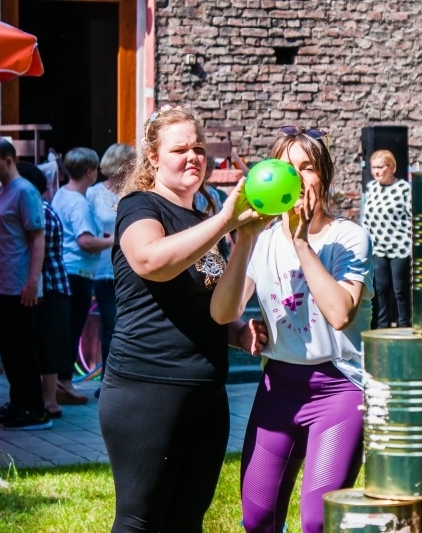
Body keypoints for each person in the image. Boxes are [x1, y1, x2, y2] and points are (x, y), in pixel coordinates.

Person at [98, 105, 267, 532]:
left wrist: (236, 331)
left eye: (198, 147)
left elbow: (212, 306)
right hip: (147, 389)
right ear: (153, 158)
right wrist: (226, 219)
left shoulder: (200, 220)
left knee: (187, 520)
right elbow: (151, 262)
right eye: (179, 149)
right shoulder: (139, 207)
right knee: (141, 520)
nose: (192, 156)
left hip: (206, 391)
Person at [210, 125, 374, 533]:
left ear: (325, 176)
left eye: (307, 167)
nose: (296, 177)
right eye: (285, 167)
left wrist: (302, 243)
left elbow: (340, 314)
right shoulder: (260, 240)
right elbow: (222, 311)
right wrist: (237, 331)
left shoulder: (348, 237)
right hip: (278, 385)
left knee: (319, 520)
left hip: (339, 386)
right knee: (258, 519)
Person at [0, 138, 51, 431]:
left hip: (19, 286)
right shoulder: (4, 191)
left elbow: (37, 238)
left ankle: (36, 411)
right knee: (9, 348)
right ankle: (19, 402)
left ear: (9, 160)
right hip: (1, 284)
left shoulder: (25, 191)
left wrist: (31, 282)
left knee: (22, 349)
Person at [51, 148, 113, 405]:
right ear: (89, 172)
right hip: (78, 271)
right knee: (72, 328)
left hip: (64, 269)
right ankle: (63, 383)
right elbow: (86, 242)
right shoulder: (79, 203)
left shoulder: (60, 195)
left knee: (65, 328)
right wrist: (113, 241)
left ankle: (59, 381)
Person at [18, 162, 71, 419]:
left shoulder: (41, 211)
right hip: (46, 285)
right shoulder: (40, 208)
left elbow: (31, 250)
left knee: (47, 343)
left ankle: (50, 401)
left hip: (49, 286)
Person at [87, 143, 134, 395]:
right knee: (110, 326)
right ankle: (108, 379)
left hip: (132, 268)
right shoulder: (94, 193)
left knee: (129, 326)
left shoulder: (135, 192)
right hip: (105, 269)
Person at [361, 149, 411, 328]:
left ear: (391, 167)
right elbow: (366, 218)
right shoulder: (372, 188)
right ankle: (382, 326)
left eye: (380, 167)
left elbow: (412, 217)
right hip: (378, 247)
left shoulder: (403, 188)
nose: (376, 171)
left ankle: (404, 325)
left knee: (400, 290)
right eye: (373, 167)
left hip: (400, 247)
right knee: (380, 289)